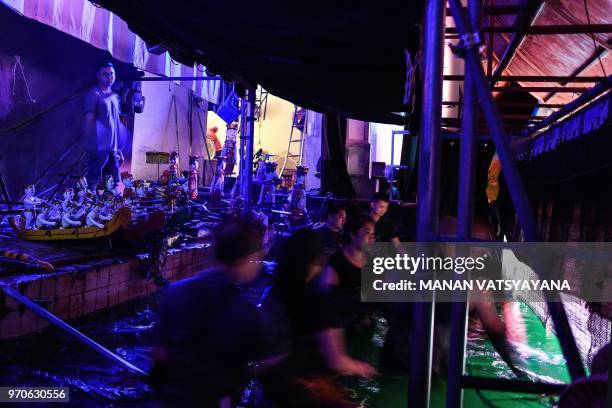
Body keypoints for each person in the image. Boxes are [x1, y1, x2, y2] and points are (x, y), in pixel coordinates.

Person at [151, 217, 290, 407]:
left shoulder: (176, 291)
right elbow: (271, 361)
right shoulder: (249, 311)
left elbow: (159, 353)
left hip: (173, 397)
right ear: (246, 259)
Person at [264, 228, 375, 407]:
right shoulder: (317, 302)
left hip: (275, 388)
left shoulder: (271, 293)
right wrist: (361, 367)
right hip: (303, 391)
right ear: (315, 260)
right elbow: (336, 361)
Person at [320, 214, 377, 330]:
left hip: (367, 324)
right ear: (352, 234)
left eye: (373, 234)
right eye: (367, 232)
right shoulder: (337, 261)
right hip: (342, 326)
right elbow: (326, 297)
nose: (372, 238)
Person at [84, 62, 123, 191]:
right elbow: (88, 121)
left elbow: (116, 122)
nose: (109, 77)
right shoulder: (94, 94)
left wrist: (118, 147)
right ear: (98, 76)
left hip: (112, 148)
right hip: (98, 147)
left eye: (111, 73)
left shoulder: (115, 96)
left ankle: (112, 209)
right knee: (93, 183)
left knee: (114, 182)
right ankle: (88, 209)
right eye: (105, 74)